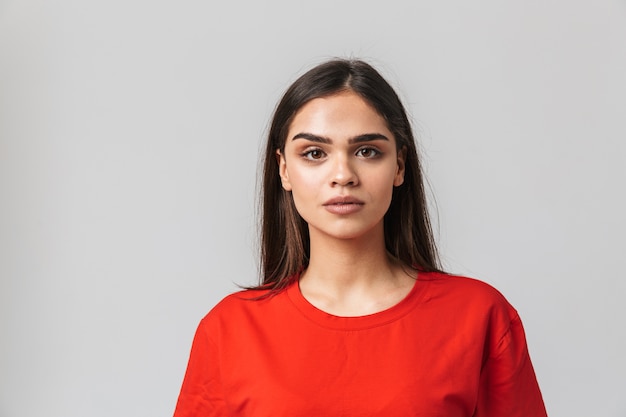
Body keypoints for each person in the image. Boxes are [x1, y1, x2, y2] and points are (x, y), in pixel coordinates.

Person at [173, 59, 547, 416]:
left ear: (399, 166)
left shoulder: (478, 317)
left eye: (367, 151)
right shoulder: (230, 329)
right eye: (314, 153)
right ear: (284, 170)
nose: (343, 174)